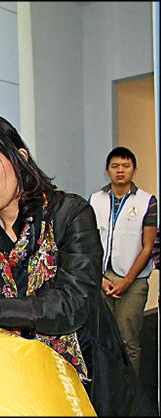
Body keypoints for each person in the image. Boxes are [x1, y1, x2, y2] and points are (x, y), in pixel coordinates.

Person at [0, 113, 156, 416]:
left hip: (89, 372)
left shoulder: (71, 214)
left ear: (20, 159)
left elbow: (72, 304)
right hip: (20, 379)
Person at [89, 146, 158, 375]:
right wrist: (98, 278)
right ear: (107, 170)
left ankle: (132, 395)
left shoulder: (147, 201)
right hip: (102, 279)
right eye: (115, 166)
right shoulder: (95, 199)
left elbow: (148, 247)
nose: (120, 171)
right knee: (103, 339)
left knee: (128, 340)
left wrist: (127, 281)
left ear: (134, 170)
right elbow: (89, 242)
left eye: (126, 166)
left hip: (133, 280)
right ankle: (109, 392)